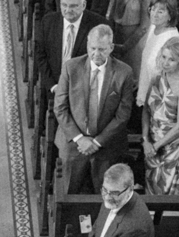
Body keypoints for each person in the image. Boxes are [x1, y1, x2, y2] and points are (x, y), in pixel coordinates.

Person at [53, 24, 135, 194]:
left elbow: (123, 115)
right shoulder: (71, 67)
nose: (96, 54)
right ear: (87, 45)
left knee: (107, 194)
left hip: (106, 143)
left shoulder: (124, 73)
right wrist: (80, 139)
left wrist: (97, 142)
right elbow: (60, 108)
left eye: (102, 49)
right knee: (67, 191)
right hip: (73, 141)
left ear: (111, 48)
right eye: (93, 48)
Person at [142, 40, 179, 196]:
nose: (165, 63)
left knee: (170, 199)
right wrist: (146, 140)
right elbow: (146, 110)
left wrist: (156, 146)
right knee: (151, 193)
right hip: (152, 144)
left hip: (174, 147)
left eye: (171, 59)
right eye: (164, 57)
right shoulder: (156, 76)